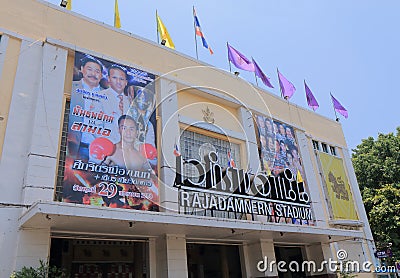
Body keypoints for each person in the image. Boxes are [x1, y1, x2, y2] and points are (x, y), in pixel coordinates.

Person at [68, 55, 105, 160]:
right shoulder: (72, 88)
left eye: (97, 71)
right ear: (82, 69)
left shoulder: (108, 95)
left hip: (101, 150)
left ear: (101, 75)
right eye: (89, 69)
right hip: (73, 146)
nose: (93, 74)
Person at [100, 64, 131, 143]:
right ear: (108, 79)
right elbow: (96, 125)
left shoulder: (130, 101)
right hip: (106, 146)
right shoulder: (99, 97)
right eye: (114, 78)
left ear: (126, 82)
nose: (118, 82)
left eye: (121, 79)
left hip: (126, 148)